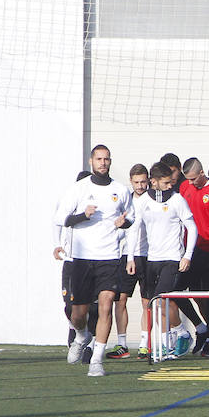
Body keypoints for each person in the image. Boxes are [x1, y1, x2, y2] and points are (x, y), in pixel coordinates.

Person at [53, 145, 134, 377]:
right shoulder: (79, 189)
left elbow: (131, 218)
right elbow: (60, 218)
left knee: (106, 305)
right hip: (81, 259)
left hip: (109, 257)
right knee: (78, 314)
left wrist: (124, 223)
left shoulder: (120, 190)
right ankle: (81, 336)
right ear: (91, 161)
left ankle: (97, 359)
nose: (103, 163)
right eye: (99, 159)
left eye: (107, 159)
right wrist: (82, 216)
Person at [127, 162, 198, 358]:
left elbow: (192, 227)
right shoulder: (143, 202)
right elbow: (134, 229)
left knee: (160, 301)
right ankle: (173, 340)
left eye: (170, 182)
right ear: (154, 182)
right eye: (165, 182)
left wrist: (187, 255)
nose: (169, 186)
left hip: (172, 259)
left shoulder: (177, 200)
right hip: (152, 259)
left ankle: (179, 335)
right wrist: (131, 257)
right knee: (153, 303)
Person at [180, 157, 209, 357]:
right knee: (176, 290)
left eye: (193, 179)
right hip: (189, 251)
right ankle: (201, 328)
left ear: (201, 174)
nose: (190, 183)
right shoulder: (184, 188)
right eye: (186, 179)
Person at [107, 164, 150, 359]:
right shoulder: (126, 201)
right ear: (131, 182)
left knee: (146, 301)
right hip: (126, 256)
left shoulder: (152, 200)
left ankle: (144, 343)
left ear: (148, 180)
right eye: (136, 182)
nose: (140, 186)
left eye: (143, 181)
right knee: (120, 299)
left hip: (149, 255)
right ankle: (122, 344)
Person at [53, 170, 94, 354]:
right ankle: (76, 330)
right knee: (69, 303)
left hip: (92, 260)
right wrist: (57, 244)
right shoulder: (68, 200)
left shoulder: (96, 205)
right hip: (71, 260)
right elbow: (57, 221)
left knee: (92, 305)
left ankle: (91, 343)